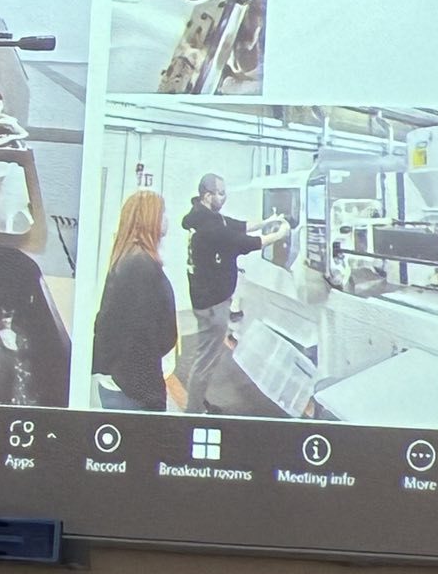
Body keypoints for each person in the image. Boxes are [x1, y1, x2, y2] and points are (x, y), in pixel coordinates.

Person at [181, 173, 290, 416]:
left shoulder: (203, 216)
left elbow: (238, 225)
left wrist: (267, 221)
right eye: (220, 193)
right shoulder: (210, 228)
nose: (225, 197)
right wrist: (279, 235)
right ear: (207, 195)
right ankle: (193, 412)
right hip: (212, 305)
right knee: (206, 359)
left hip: (206, 299)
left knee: (206, 356)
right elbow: (245, 242)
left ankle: (197, 402)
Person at [91, 190, 178, 411]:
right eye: (163, 213)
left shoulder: (129, 258)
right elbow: (143, 333)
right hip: (133, 389)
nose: (167, 219)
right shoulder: (142, 266)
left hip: (122, 382)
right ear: (149, 218)